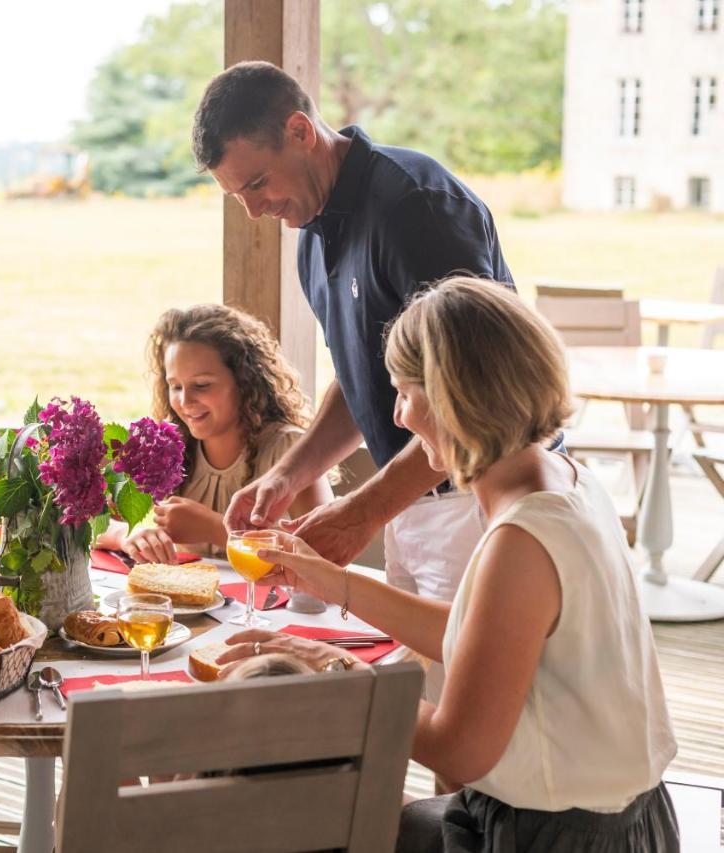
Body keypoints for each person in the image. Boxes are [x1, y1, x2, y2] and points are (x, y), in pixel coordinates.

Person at [220, 278, 678, 851]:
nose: (398, 416)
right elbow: (483, 639)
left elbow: (460, 749)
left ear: (450, 399)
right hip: (628, 819)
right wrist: (335, 582)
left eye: (404, 393)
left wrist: (333, 671)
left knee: (292, 808)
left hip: (553, 837)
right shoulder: (564, 482)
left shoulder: (521, 539)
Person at [195, 62, 513, 632]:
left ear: (300, 131)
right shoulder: (312, 234)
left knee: (471, 704)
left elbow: (471, 398)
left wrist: (363, 512)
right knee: (414, 686)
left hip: (480, 499)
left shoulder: (415, 207)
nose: (255, 211)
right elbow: (361, 374)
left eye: (257, 184)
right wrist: (286, 477)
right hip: (409, 502)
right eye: (236, 196)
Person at [95, 304, 332, 563]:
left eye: (202, 385)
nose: (185, 401)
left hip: (277, 603)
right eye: (175, 386)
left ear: (245, 381)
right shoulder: (167, 447)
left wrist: (215, 528)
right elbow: (81, 517)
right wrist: (126, 534)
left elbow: (324, 552)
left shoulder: (291, 450)